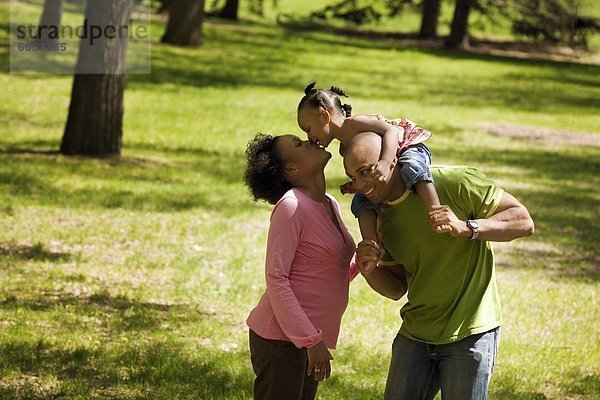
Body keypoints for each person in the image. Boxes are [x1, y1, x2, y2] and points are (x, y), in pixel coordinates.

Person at [344, 132, 534, 400]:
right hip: (416, 334)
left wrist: (467, 227)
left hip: (470, 333)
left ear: (391, 159)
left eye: (366, 171)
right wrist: (370, 269)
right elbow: (396, 288)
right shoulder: (379, 219)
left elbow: (524, 222)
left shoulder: (454, 183)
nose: (360, 184)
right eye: (353, 177)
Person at [243, 133, 357, 400]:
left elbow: (322, 269)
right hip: (281, 340)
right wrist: (311, 340)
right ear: (292, 170)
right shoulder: (291, 207)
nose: (310, 141)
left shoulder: (329, 203)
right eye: (299, 144)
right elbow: (276, 278)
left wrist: (360, 262)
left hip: (307, 338)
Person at [297, 83, 451, 270]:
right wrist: (355, 186)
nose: (308, 137)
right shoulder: (344, 148)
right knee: (360, 203)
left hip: (408, 147)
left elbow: (391, 131)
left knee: (412, 168)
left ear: (324, 115)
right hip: (386, 165)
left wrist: (386, 162)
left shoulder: (355, 123)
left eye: (308, 129)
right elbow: (365, 171)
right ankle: (372, 247)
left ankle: (436, 212)